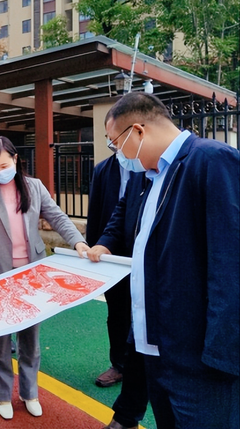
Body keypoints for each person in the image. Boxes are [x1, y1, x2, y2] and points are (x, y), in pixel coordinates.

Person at [87, 92, 239, 428]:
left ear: (138, 131)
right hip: (156, 348)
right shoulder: (150, 175)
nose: (117, 154)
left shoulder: (211, 161)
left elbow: (230, 263)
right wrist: (105, 244)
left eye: (115, 143)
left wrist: (222, 355)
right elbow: (127, 219)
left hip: (198, 358)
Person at [0, 136, 89, 421]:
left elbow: (57, 217)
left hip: (32, 275)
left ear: (15, 159)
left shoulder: (33, 187)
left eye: (4, 165)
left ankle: (29, 392)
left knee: (30, 339)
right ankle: (2, 395)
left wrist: (78, 242)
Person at [87, 159, 149, 429]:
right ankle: (125, 415)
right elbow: (115, 212)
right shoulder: (117, 172)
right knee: (124, 321)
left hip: (158, 269)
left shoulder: (202, 162)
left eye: (116, 140)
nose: (116, 147)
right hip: (116, 256)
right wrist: (101, 244)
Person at [86, 154, 132, 387]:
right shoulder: (104, 169)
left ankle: (154, 367)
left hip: (144, 251)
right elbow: (95, 211)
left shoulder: (150, 168)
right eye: (108, 138)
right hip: (111, 250)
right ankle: (119, 364)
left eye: (114, 137)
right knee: (117, 311)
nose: (113, 143)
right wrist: (93, 245)